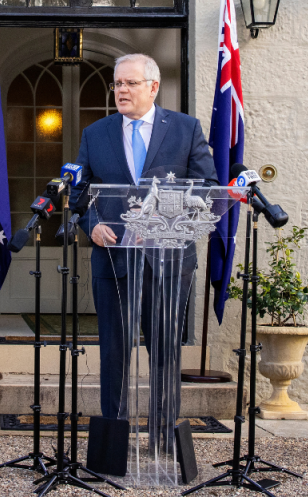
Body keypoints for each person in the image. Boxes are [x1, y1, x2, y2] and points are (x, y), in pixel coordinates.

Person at [70, 54, 218, 424]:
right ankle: (115, 440)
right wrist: (92, 225)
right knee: (114, 352)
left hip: (167, 261)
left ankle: (163, 435)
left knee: (165, 350)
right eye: (117, 83)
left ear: (153, 87)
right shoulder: (96, 133)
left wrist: (165, 218)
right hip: (113, 259)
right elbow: (80, 195)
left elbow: (208, 188)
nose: (121, 90)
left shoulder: (185, 129)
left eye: (130, 83)